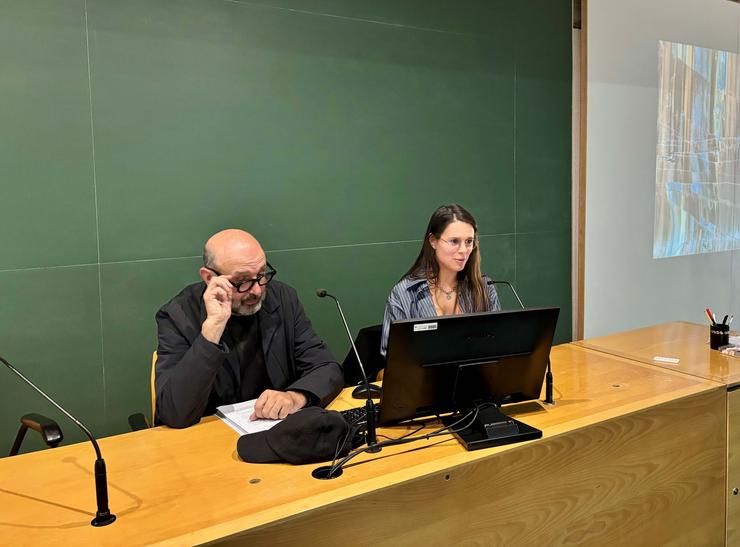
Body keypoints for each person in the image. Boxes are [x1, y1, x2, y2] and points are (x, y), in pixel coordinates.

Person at [155, 229, 343, 428]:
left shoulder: (283, 299)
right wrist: (212, 330)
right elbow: (174, 413)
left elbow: (326, 368)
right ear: (209, 277)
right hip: (207, 435)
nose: (257, 290)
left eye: (261, 274)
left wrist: (295, 397)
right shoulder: (178, 315)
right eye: (242, 281)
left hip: (275, 431)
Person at [380, 204, 501, 356]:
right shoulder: (404, 293)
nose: (463, 250)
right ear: (433, 241)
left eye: (469, 241)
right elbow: (392, 357)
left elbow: (497, 347)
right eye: (454, 241)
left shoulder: (484, 287)